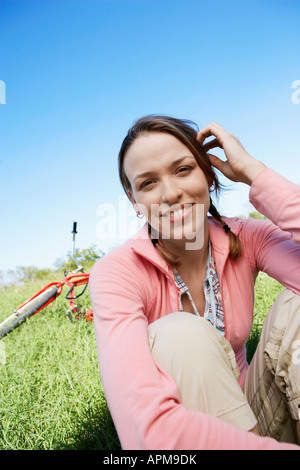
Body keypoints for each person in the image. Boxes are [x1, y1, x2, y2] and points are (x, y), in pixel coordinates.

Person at [89, 115, 300, 450]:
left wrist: (253, 171)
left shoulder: (246, 237)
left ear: (208, 173)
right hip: (187, 437)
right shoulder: (117, 272)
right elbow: (144, 429)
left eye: (183, 169)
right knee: (178, 333)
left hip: (258, 408)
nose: (171, 193)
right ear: (135, 203)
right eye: (148, 183)